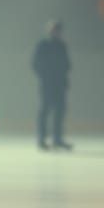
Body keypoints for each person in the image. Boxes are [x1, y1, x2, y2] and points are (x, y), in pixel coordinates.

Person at [32, 20, 72, 150]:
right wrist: (45, 76)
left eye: (58, 30)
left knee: (59, 112)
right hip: (47, 84)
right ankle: (42, 139)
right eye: (55, 29)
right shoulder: (43, 45)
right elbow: (35, 63)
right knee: (44, 111)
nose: (57, 32)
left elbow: (67, 64)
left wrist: (63, 79)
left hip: (59, 85)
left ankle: (57, 139)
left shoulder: (62, 46)